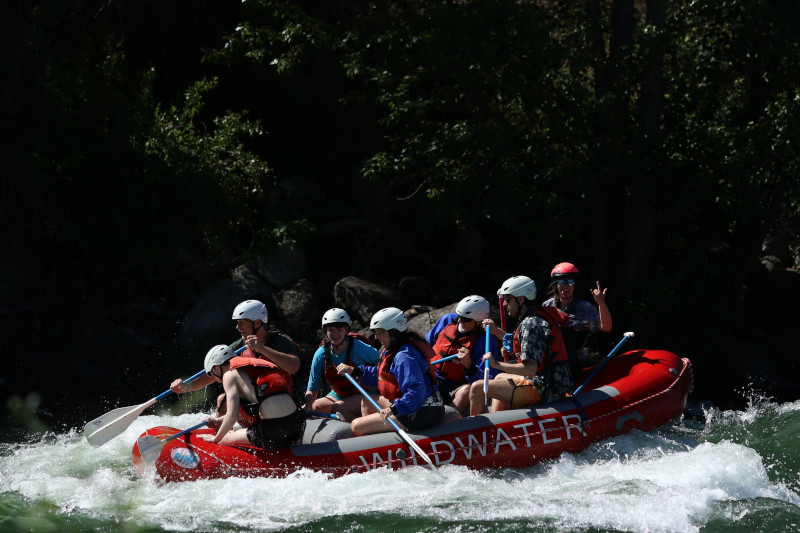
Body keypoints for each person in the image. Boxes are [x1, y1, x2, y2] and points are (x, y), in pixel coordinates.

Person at [171, 299, 301, 414]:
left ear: (257, 323)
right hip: (258, 401)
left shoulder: (280, 341)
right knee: (223, 400)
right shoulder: (239, 346)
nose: (237, 327)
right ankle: (221, 432)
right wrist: (186, 386)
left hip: (284, 400)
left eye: (242, 323)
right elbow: (214, 370)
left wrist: (262, 349)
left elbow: (294, 366)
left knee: (224, 399)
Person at [469, 275, 573, 414]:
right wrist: (496, 331)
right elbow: (524, 348)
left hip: (547, 387)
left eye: (508, 299)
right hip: (545, 380)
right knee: (499, 378)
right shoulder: (532, 318)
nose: (504, 304)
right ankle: (498, 420)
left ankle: (483, 428)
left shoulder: (531, 324)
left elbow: (530, 369)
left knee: (477, 388)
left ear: (521, 299)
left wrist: (496, 364)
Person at [340, 307, 445, 436]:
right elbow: (383, 374)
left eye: (380, 332)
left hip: (422, 412)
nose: (376, 337)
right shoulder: (396, 349)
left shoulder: (404, 356)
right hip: (415, 405)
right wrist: (356, 371)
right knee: (367, 402)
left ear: (393, 332)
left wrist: (394, 409)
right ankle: (377, 433)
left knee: (356, 426)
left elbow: (416, 392)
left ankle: (376, 437)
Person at [196, 344, 305, 448]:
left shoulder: (228, 375)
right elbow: (254, 410)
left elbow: (233, 415)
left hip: (272, 433)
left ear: (216, 367)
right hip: (297, 427)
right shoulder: (257, 366)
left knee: (225, 437)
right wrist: (218, 421)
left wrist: (215, 439)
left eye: (212, 374)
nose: (216, 380)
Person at [424, 295, 501, 416]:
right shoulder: (448, 320)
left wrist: (468, 365)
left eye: (466, 319)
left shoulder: (486, 341)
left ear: (478, 322)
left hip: (454, 386)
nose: (460, 321)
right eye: (459, 316)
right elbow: (425, 345)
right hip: (431, 375)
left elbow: (486, 382)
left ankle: (445, 420)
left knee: (466, 391)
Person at [303, 308, 381, 421]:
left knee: (338, 408)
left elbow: (384, 364)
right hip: (339, 395)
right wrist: (308, 406)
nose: (335, 334)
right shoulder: (321, 354)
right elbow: (312, 388)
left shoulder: (358, 347)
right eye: (331, 330)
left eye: (339, 329)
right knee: (313, 408)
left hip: (366, 393)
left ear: (346, 330)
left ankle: (359, 425)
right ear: (326, 331)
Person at [542, 262, 612, 379]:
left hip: (573, 363)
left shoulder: (585, 308)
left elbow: (606, 327)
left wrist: (601, 303)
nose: (565, 286)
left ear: (574, 284)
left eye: (570, 282)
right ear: (556, 285)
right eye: (561, 282)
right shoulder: (547, 305)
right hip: (551, 360)